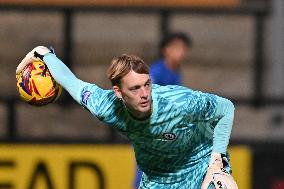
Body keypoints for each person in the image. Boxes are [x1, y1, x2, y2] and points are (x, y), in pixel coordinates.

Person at [16, 46, 238, 189]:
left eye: (146, 85)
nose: (144, 94)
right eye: (134, 89)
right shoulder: (106, 106)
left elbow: (226, 108)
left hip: (201, 163)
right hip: (159, 179)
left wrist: (217, 163)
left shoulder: (180, 102)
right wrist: (44, 54)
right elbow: (71, 83)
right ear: (118, 93)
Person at [134, 32, 191, 188]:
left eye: (183, 48)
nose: (181, 52)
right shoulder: (157, 71)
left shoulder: (176, 72)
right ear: (166, 50)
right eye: (177, 48)